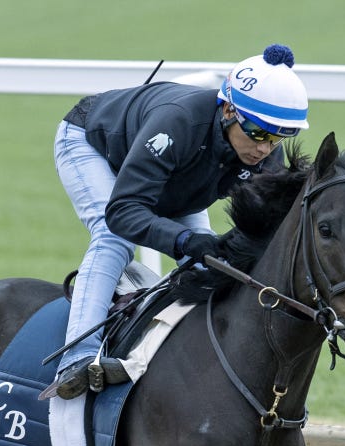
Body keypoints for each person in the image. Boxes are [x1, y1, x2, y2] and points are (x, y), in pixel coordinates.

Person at [41, 43, 310, 400]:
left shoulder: (262, 155)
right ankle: (77, 358)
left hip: (181, 176)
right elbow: (123, 211)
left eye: (278, 138)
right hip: (93, 144)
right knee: (114, 239)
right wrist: (182, 241)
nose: (265, 149)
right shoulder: (179, 121)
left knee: (214, 265)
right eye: (259, 133)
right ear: (229, 110)